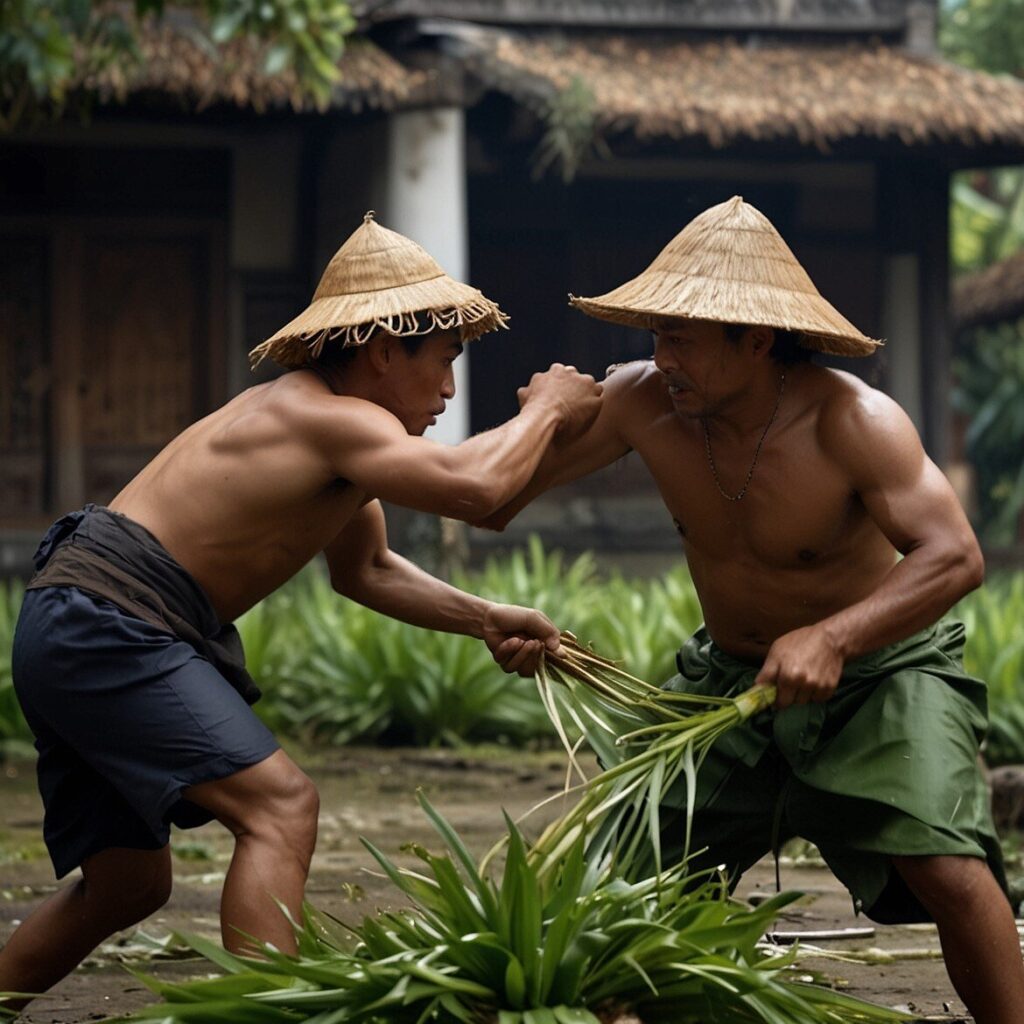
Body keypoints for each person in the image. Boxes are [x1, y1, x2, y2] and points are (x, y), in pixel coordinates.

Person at [0, 212, 601, 1010]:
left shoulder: (340, 443)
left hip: (79, 623)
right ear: (386, 350)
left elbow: (370, 571)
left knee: (127, 886)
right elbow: (481, 492)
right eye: (445, 363)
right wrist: (548, 408)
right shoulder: (323, 417)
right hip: (107, 619)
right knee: (282, 808)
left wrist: (485, 615)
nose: (451, 391)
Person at [481, 196, 1024, 1024]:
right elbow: (489, 500)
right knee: (618, 881)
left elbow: (956, 556)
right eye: (655, 335)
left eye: (682, 340)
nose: (661, 358)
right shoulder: (641, 403)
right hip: (730, 684)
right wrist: (540, 415)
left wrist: (835, 637)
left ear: (758, 341)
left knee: (946, 865)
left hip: (881, 672)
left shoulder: (853, 420)